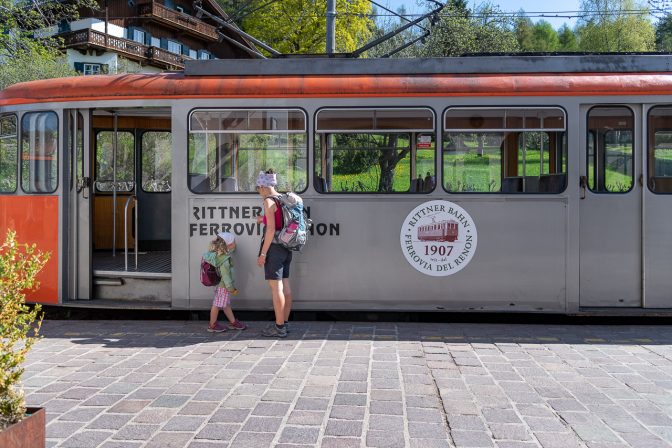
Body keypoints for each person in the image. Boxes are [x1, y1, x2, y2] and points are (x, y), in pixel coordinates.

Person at [255, 169, 292, 338]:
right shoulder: (282, 199)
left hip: (274, 249)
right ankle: (284, 323)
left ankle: (279, 328)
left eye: (258, 188)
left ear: (263, 186)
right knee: (286, 287)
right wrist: (262, 219)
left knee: (276, 289)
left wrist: (263, 254)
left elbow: (271, 229)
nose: (259, 192)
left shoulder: (268, 202)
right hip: (286, 247)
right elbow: (279, 222)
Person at [203, 231, 247, 333]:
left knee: (225, 305)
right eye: (234, 242)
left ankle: (233, 322)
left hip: (218, 284)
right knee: (217, 305)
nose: (235, 244)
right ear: (229, 245)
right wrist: (232, 289)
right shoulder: (225, 260)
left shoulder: (216, 255)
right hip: (223, 286)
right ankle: (212, 325)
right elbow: (226, 277)